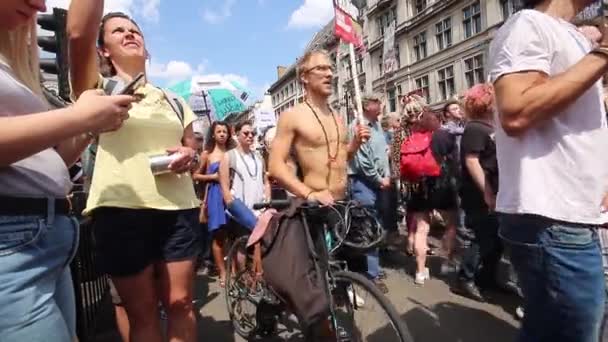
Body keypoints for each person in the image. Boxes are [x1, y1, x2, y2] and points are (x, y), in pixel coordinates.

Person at [0, 1, 135, 341]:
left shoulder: (11, 65)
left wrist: (93, 125)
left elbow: (48, 160)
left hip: (47, 241)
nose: (41, 4)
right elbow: (78, 33)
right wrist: (80, 117)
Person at [68, 3, 201, 342]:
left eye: (135, 31)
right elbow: (78, 34)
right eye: (118, 31)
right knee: (141, 311)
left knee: (181, 303)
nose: (129, 33)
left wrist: (189, 154)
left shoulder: (174, 100)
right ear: (103, 50)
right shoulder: (96, 88)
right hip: (121, 208)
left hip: (178, 208)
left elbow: (193, 150)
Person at [489, 0, 608, 341]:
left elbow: (579, 128)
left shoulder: (574, 37)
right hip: (551, 219)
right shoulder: (527, 24)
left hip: (572, 215)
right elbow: (516, 112)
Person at [267, 49, 369, 340]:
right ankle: (317, 327)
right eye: (321, 68)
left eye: (331, 68)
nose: (330, 73)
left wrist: (355, 146)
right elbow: (275, 166)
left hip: (339, 204)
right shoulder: (292, 116)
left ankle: (328, 320)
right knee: (311, 282)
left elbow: (339, 160)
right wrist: (309, 193)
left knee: (336, 272)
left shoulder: (336, 116)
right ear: (304, 77)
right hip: (311, 207)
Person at [454, 83, 501, 302]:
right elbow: (472, 161)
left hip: (495, 191)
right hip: (479, 194)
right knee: (482, 237)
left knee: (496, 239)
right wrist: (487, 192)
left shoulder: (490, 127)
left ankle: (487, 277)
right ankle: (465, 278)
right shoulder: (474, 128)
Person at [406, 111, 459, 285]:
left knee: (421, 230)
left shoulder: (415, 137)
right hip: (442, 184)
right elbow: (455, 161)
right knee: (450, 225)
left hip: (420, 186)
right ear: (439, 121)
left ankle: (420, 272)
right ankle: (447, 264)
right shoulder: (444, 136)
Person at [348, 94, 391, 293]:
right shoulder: (358, 126)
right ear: (367, 106)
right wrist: (378, 178)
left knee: (378, 224)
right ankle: (369, 275)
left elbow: (383, 153)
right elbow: (363, 160)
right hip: (363, 182)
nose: (381, 105)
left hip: (379, 182)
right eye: (378, 103)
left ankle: (374, 269)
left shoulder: (377, 125)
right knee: (367, 227)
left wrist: (387, 174)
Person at [192, 121, 234, 287]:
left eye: (225, 131)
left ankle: (235, 270)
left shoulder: (233, 153)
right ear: (214, 134)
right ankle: (222, 272)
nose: (222, 134)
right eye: (219, 131)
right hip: (216, 196)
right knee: (218, 236)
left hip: (232, 194)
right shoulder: (207, 154)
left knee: (234, 234)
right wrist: (214, 177)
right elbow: (195, 176)